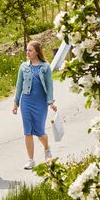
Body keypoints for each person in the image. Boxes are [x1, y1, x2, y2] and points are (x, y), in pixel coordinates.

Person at [12, 40, 57, 169]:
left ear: (37, 52)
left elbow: (49, 86)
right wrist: (16, 103)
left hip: (40, 103)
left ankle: (47, 148)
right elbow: (19, 85)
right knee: (28, 132)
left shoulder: (45, 67)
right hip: (26, 101)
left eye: (30, 50)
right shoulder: (23, 66)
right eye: (27, 50)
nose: (27, 52)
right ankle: (31, 160)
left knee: (40, 132)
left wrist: (51, 102)